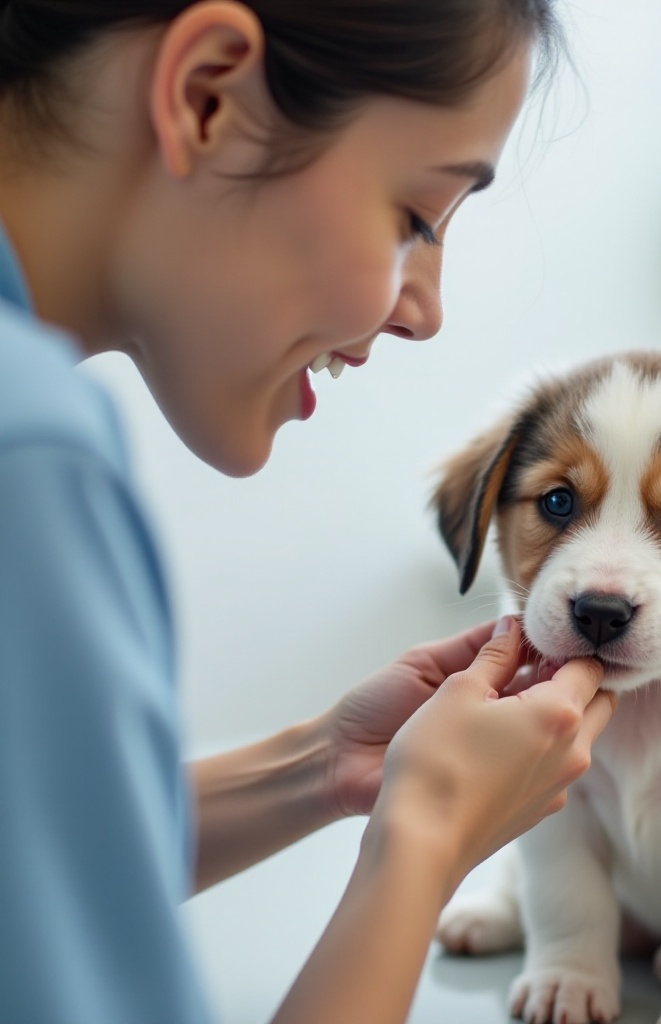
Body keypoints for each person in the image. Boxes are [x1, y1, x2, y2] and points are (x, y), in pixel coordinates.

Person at [0, 3, 617, 1022]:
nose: (425, 310)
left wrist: (319, 767)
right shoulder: (31, 451)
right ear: (208, 95)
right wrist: (424, 838)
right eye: (416, 217)